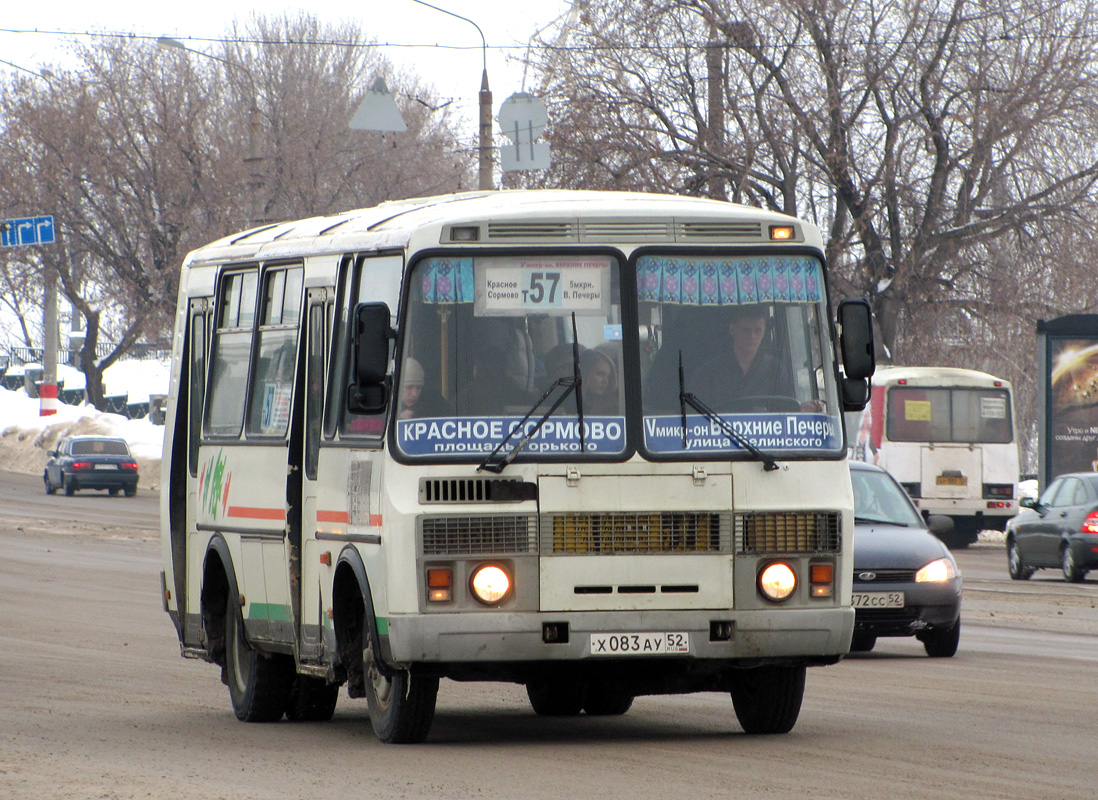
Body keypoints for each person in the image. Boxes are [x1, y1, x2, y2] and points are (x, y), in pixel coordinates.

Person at [580, 347, 620, 415]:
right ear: (584, 373)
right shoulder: (566, 402)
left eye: (608, 376)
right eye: (600, 374)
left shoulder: (614, 407)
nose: (605, 382)